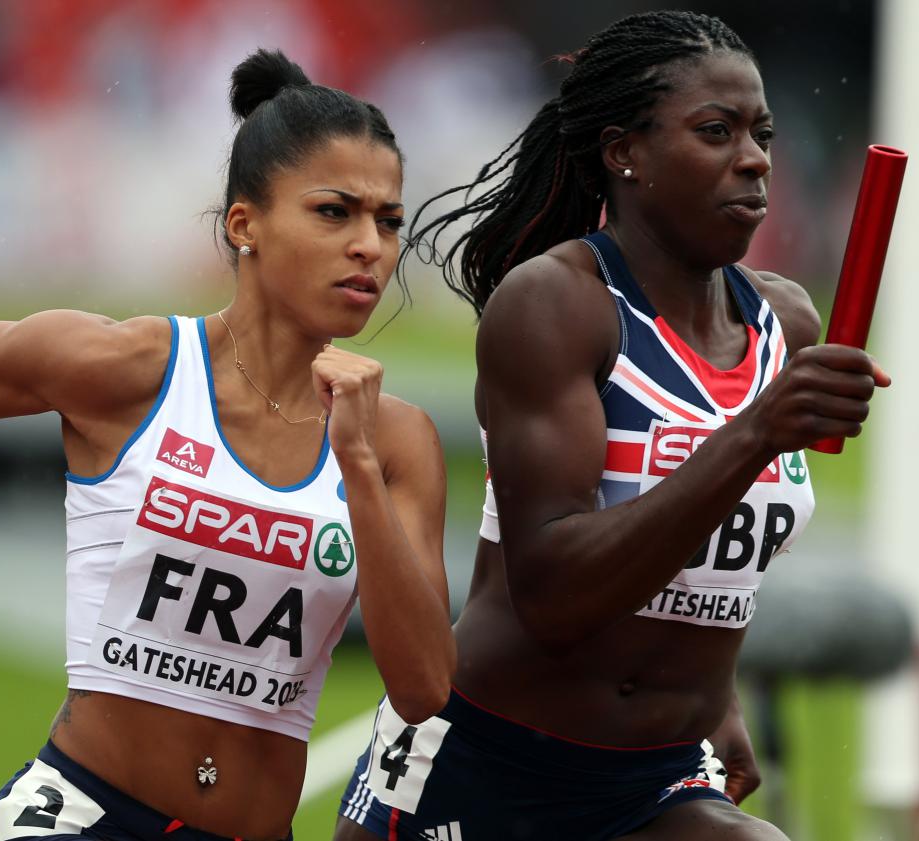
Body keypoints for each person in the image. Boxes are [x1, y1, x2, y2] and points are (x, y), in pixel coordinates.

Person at [0, 49, 456, 841]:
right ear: (245, 223)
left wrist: (358, 466)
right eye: (334, 211)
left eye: (388, 221)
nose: (370, 246)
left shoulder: (397, 439)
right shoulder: (129, 368)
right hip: (81, 817)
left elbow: (421, 689)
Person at [335, 11, 888, 841]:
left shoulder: (788, 323)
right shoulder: (556, 306)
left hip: (656, 777)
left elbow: (713, 564)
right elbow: (556, 595)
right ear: (624, 151)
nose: (755, 159)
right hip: (491, 765)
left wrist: (717, 693)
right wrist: (753, 434)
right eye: (716, 131)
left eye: (762, 133)